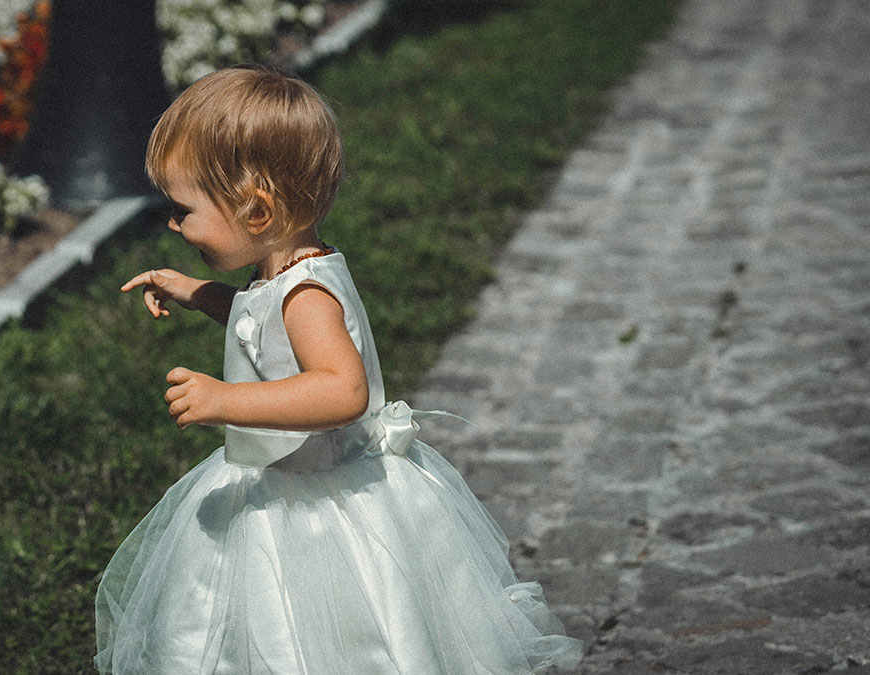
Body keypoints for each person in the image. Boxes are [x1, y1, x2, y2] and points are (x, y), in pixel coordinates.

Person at [95, 64, 583, 674]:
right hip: (281, 481)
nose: (173, 223)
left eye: (183, 209)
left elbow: (341, 390)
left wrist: (226, 402)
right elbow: (254, 319)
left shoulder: (307, 297)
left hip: (317, 509)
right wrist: (197, 292)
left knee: (333, 639)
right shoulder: (281, 274)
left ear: (256, 211)